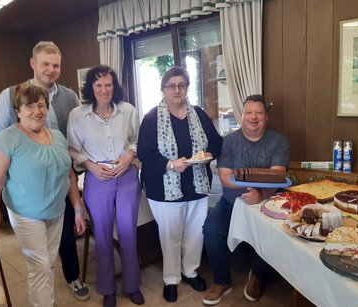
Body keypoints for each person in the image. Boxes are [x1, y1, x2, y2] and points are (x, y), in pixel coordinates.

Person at [0, 41, 90, 301]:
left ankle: (71, 277)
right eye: (45, 64)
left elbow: (73, 139)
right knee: (39, 263)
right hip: (28, 194)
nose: (51, 69)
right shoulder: (11, 95)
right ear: (33, 63)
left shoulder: (69, 96)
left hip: (60, 182)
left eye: (55, 65)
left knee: (64, 238)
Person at [0, 83, 85, 307]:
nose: (37, 111)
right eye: (30, 106)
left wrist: (78, 209)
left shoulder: (58, 137)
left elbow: (69, 175)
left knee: (48, 263)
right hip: (26, 213)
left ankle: (45, 300)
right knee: (40, 266)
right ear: (18, 111)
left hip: (56, 211)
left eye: (41, 105)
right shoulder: (7, 139)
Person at [137, 66, 223, 303]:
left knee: (195, 234)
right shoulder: (152, 118)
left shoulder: (199, 114)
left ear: (186, 88)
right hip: (164, 189)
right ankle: (171, 278)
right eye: (171, 85)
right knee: (170, 236)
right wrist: (171, 164)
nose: (177, 90)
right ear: (163, 89)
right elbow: (145, 152)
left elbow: (216, 142)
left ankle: (190, 271)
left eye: (181, 85)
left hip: (197, 186)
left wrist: (207, 155)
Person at [202, 95, 290, 305]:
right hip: (232, 202)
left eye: (258, 113)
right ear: (241, 116)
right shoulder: (229, 141)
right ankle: (222, 281)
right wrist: (254, 185)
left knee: (276, 233)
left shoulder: (279, 141)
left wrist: (260, 194)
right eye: (249, 113)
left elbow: (277, 175)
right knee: (210, 229)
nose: (253, 117)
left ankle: (258, 276)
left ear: (266, 117)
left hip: (267, 203)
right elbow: (225, 177)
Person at [68, 65, 144, 307]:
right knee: (101, 237)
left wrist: (129, 158)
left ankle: (132, 285)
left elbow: (137, 140)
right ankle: (107, 289)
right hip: (97, 179)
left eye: (108, 84)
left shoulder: (128, 110)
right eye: (99, 85)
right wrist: (90, 166)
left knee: (128, 233)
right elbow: (73, 149)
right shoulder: (77, 116)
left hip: (127, 177)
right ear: (91, 88)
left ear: (115, 87)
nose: (104, 89)